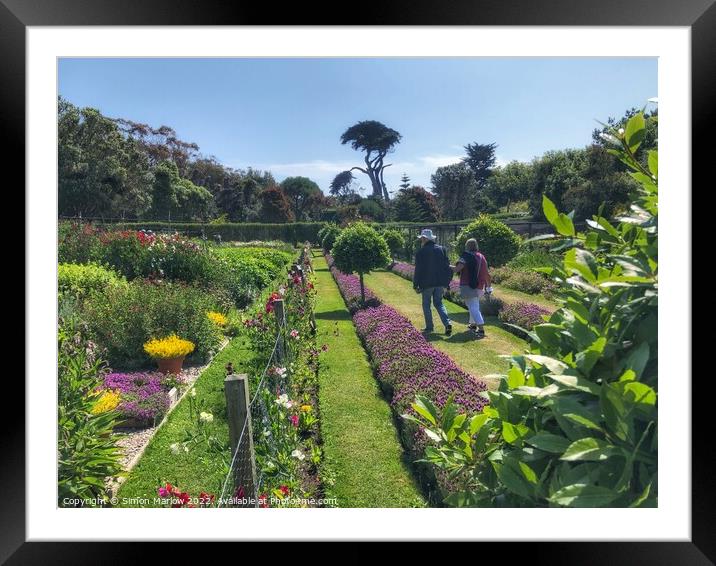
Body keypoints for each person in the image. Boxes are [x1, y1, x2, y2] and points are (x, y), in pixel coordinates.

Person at [413, 229, 453, 336]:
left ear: (425, 239)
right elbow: (447, 267)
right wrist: (447, 282)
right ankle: (447, 323)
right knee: (439, 303)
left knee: (426, 304)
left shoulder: (420, 252)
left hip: (426, 284)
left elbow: (418, 270)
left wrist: (415, 284)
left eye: (422, 238)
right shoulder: (442, 250)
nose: (421, 240)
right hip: (440, 282)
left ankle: (429, 327)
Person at [452, 238, 491, 339]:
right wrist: (488, 286)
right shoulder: (482, 257)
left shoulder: (466, 256)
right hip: (479, 285)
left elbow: (457, 269)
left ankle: (481, 329)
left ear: (467, 246)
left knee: (473, 307)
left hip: (468, 284)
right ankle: (473, 325)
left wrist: (445, 266)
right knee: (472, 305)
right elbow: (487, 274)